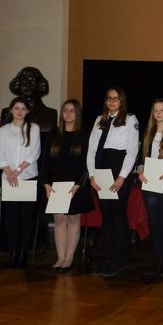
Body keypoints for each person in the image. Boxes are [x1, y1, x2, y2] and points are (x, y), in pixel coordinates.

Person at [87, 85, 139, 277]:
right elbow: (91, 151)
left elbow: (132, 151)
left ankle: (119, 260)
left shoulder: (130, 120)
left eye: (116, 98)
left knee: (118, 216)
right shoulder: (98, 120)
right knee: (106, 217)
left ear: (122, 101)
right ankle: (107, 258)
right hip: (100, 170)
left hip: (118, 171)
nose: (112, 102)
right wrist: (91, 175)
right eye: (109, 98)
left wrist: (122, 177)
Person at [42, 99, 93, 273]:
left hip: (76, 185)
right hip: (56, 185)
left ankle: (69, 257)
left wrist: (79, 185)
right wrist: (46, 183)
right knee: (59, 219)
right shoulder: (53, 134)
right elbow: (45, 161)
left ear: (77, 113)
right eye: (65, 110)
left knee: (73, 219)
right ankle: (60, 257)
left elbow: (87, 164)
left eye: (72, 111)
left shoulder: (84, 136)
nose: (68, 114)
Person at [0, 97, 41, 268]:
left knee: (26, 217)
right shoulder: (4, 130)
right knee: (11, 218)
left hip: (27, 177)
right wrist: (9, 172)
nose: (20, 111)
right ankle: (13, 251)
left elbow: (34, 153)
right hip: (9, 179)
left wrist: (17, 171)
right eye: (16, 108)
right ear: (11, 110)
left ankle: (23, 252)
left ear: (27, 111)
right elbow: (1, 155)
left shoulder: (34, 128)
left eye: (23, 108)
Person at [138, 98, 163, 281]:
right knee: (154, 222)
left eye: (162, 110)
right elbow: (141, 158)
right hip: (149, 183)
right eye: (156, 110)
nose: (159, 113)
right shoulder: (148, 132)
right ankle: (157, 260)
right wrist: (140, 171)